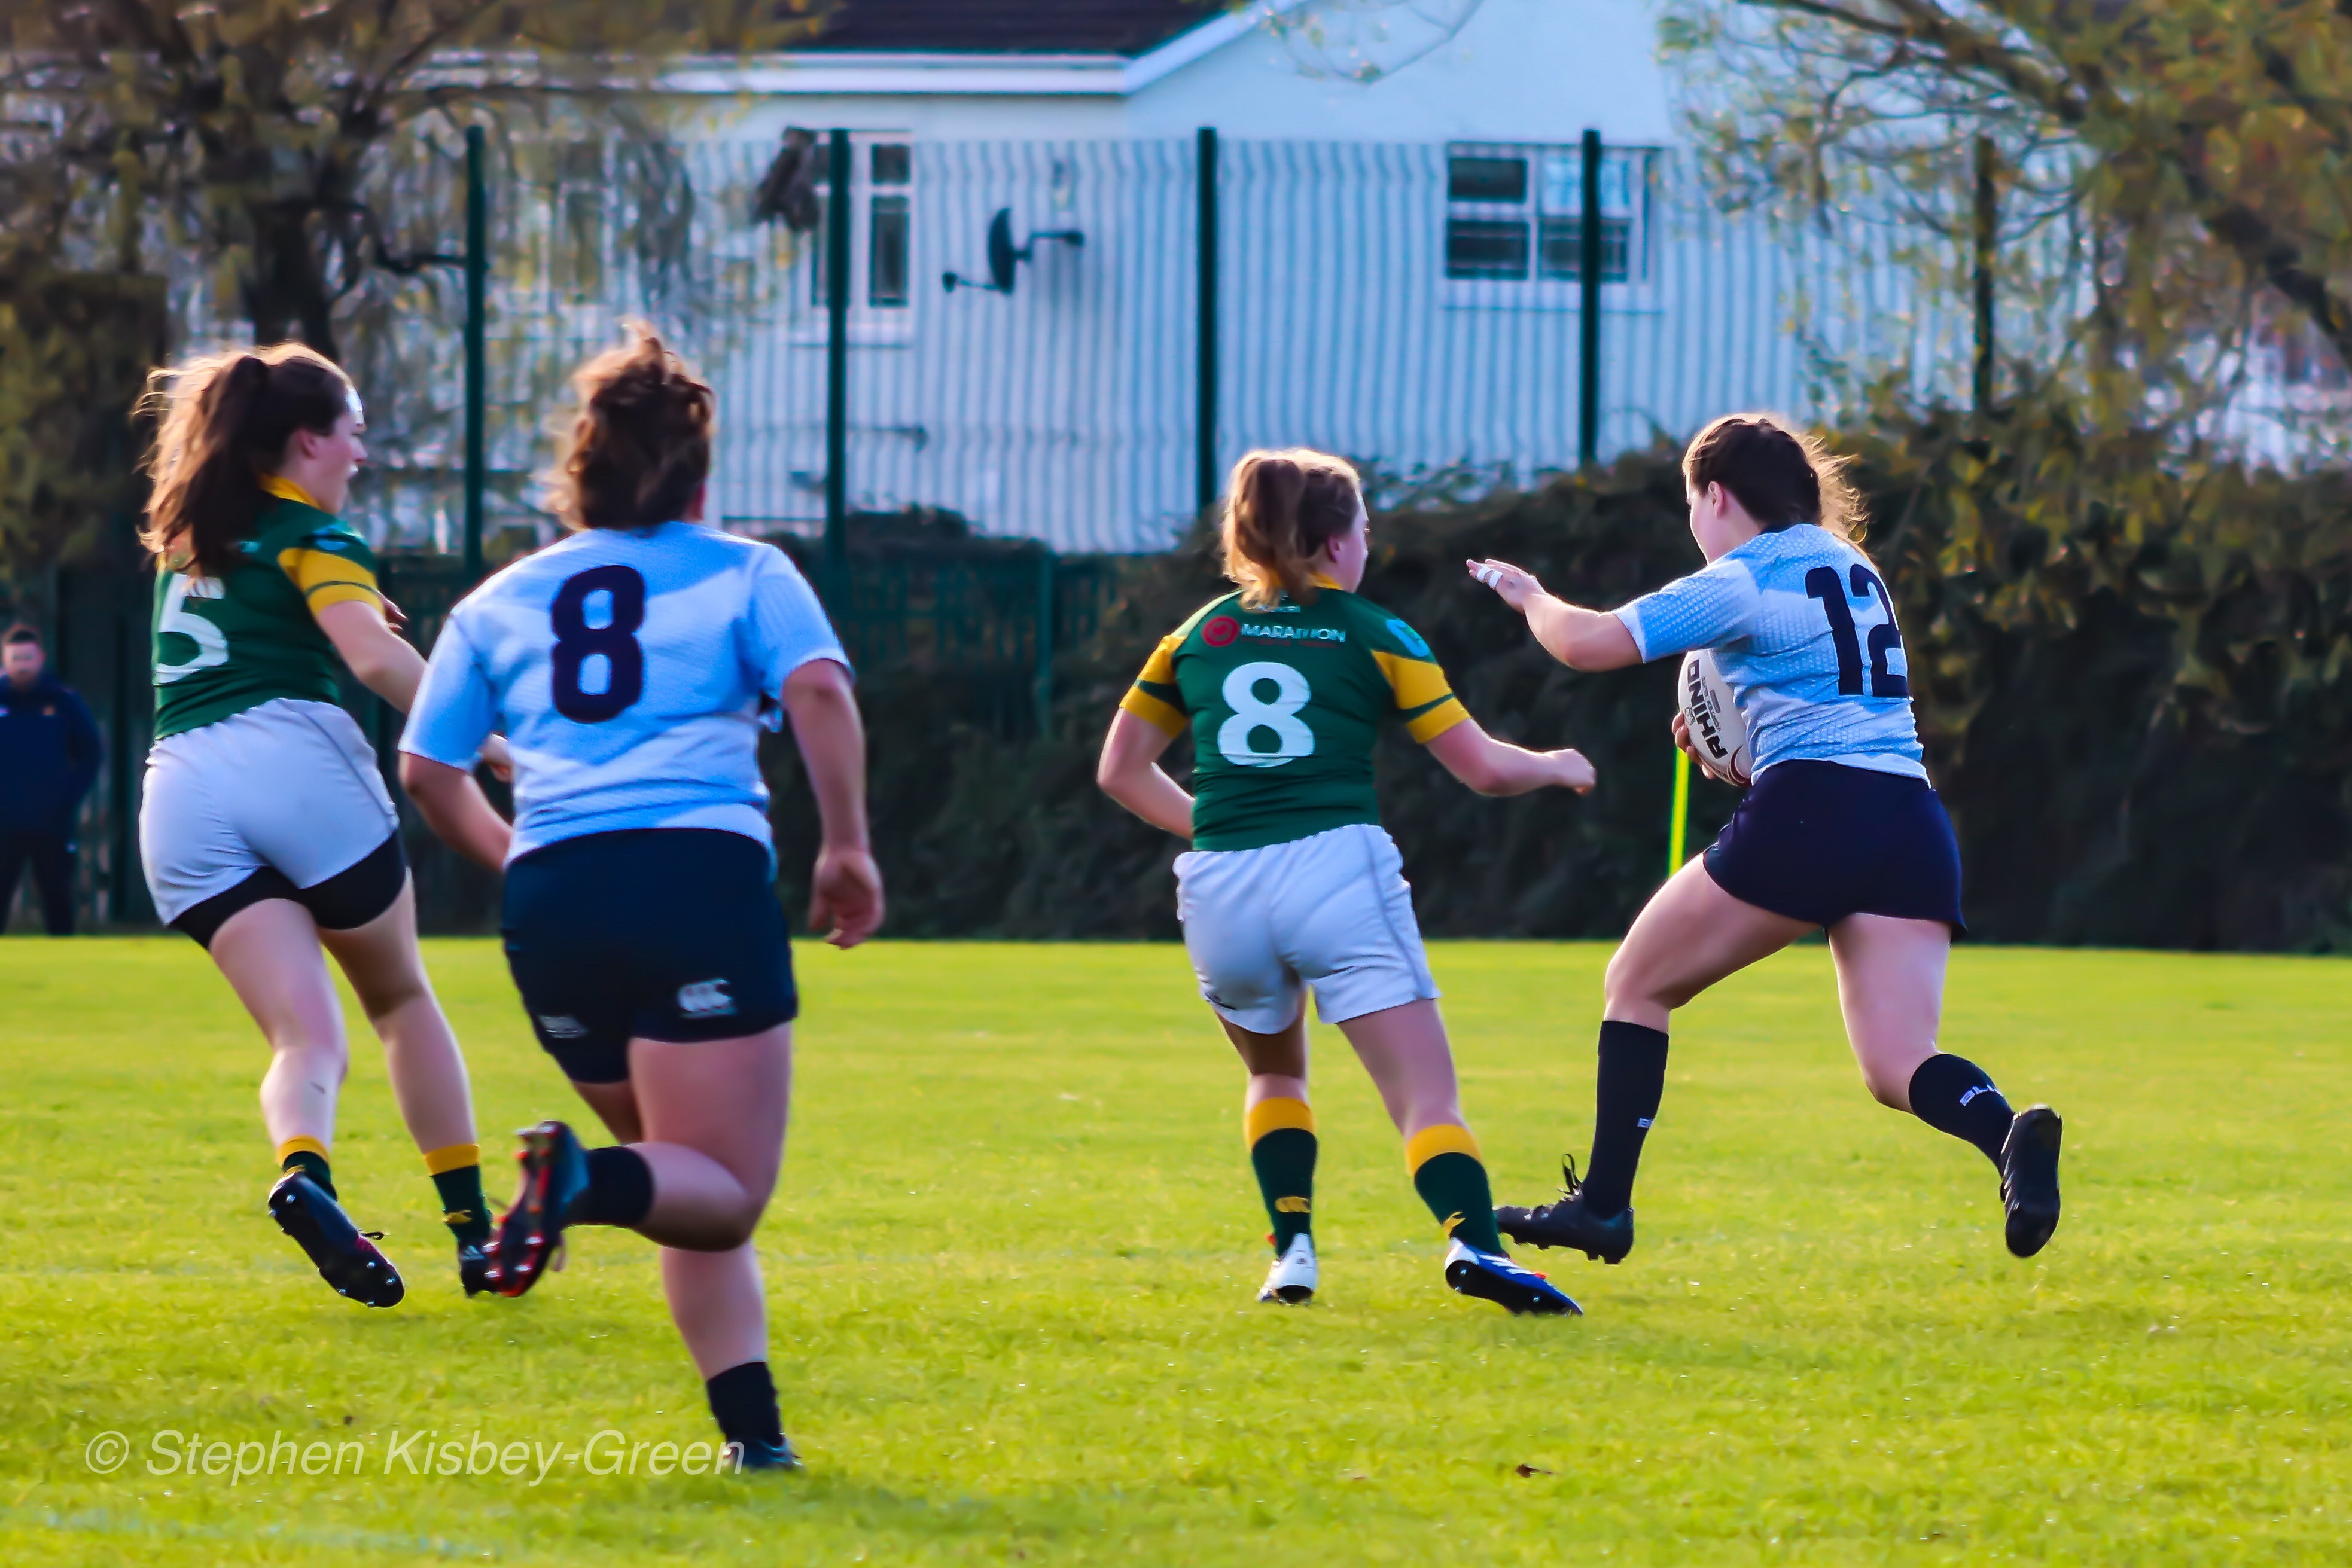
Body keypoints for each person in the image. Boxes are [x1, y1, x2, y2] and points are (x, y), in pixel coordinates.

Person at [398, 325, 881, 1473]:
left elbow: (425, 770)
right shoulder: (746, 569)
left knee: (678, 1177)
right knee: (722, 1191)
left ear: (581, 475)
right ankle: (572, 1182)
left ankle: (755, 1439)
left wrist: (520, 859)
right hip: (692, 879)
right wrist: (847, 846)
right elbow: (818, 690)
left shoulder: (497, 600)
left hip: (553, 900)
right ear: (697, 479)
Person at [1466, 413, 2063, 1267]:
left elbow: (1587, 643)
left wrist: (1530, 596)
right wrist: (1742, 756)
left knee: (1635, 982)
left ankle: (1601, 1208)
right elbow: (1818, 696)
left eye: (1690, 503)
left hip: (1817, 806)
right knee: (1897, 1060)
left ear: (1715, 495)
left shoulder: (1743, 575)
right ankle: (2006, 1136)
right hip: (1909, 817)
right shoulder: (1855, 568)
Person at [1097, 447, 1597, 1317]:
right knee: (1424, 1096)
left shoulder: (1198, 634)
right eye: (1364, 530)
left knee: (1274, 1076)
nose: (1367, 545)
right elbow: (1481, 768)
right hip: (1335, 870)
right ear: (1335, 544)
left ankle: (1291, 1253)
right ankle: (1476, 1245)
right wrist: (1555, 764)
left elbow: (1119, 770)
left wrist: (1226, 827)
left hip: (1220, 885)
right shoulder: (1375, 631)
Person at [135, 344, 503, 1307]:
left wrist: (352, 608)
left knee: (305, 1037)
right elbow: (374, 661)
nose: (362, 454)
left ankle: (305, 1171)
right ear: (308, 439)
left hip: (179, 795)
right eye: (354, 433)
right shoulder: (316, 535)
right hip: (292, 765)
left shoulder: (188, 536)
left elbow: (266, 612)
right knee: (400, 1000)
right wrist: (493, 746)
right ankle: (475, 1236)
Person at [0, 624, 102, 935]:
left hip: (52, 823)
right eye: (16, 659)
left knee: (58, 899)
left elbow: (91, 753)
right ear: (5, 661)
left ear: (41, 658)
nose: (22, 666)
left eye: (28, 658)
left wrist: (66, 796)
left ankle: (65, 955)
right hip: (4, 823)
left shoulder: (63, 702)